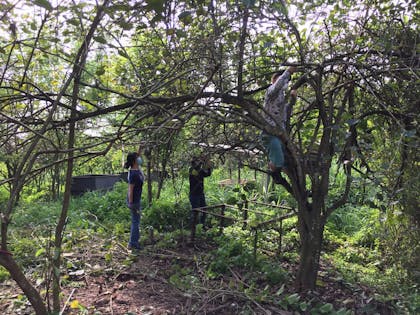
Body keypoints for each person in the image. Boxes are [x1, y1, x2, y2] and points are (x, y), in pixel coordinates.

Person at [261, 66, 297, 184]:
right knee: (278, 161)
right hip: (270, 133)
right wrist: (287, 72)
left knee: (289, 160)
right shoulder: (271, 91)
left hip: (279, 134)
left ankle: (295, 183)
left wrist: (292, 99)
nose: (283, 82)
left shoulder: (281, 97)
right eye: (280, 79)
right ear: (273, 81)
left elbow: (285, 112)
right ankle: (275, 174)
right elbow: (277, 86)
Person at [124, 151, 145, 251]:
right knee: (135, 222)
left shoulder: (137, 170)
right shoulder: (133, 173)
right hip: (134, 201)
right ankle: (133, 243)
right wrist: (131, 203)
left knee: (136, 221)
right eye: (137, 158)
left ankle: (134, 242)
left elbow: (138, 155)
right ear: (134, 161)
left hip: (137, 199)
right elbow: (130, 189)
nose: (139, 159)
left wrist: (140, 147)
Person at [189, 155, 212, 227]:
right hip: (194, 194)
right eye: (197, 162)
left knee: (204, 210)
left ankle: (202, 225)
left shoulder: (200, 171)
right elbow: (197, 169)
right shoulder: (191, 170)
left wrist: (208, 167)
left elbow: (208, 174)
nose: (198, 163)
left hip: (201, 194)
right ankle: (194, 227)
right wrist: (202, 162)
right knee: (196, 212)